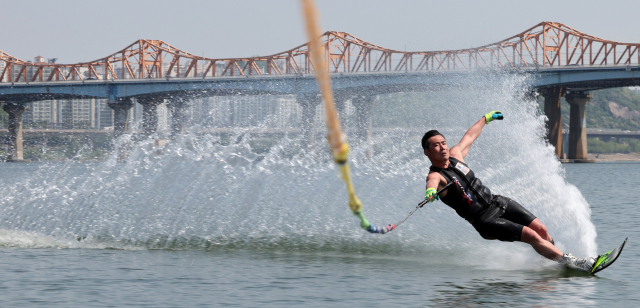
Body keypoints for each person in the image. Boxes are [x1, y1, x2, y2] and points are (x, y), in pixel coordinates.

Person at [422, 110, 594, 271]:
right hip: (484, 220)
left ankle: (558, 261)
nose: (442, 147)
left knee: (541, 229)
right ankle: (573, 262)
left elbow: (470, 135)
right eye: (436, 146)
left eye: (443, 143)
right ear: (427, 152)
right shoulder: (437, 176)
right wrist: (430, 192)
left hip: (498, 202)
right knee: (530, 234)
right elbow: (432, 183)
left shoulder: (455, 155)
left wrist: (485, 119)